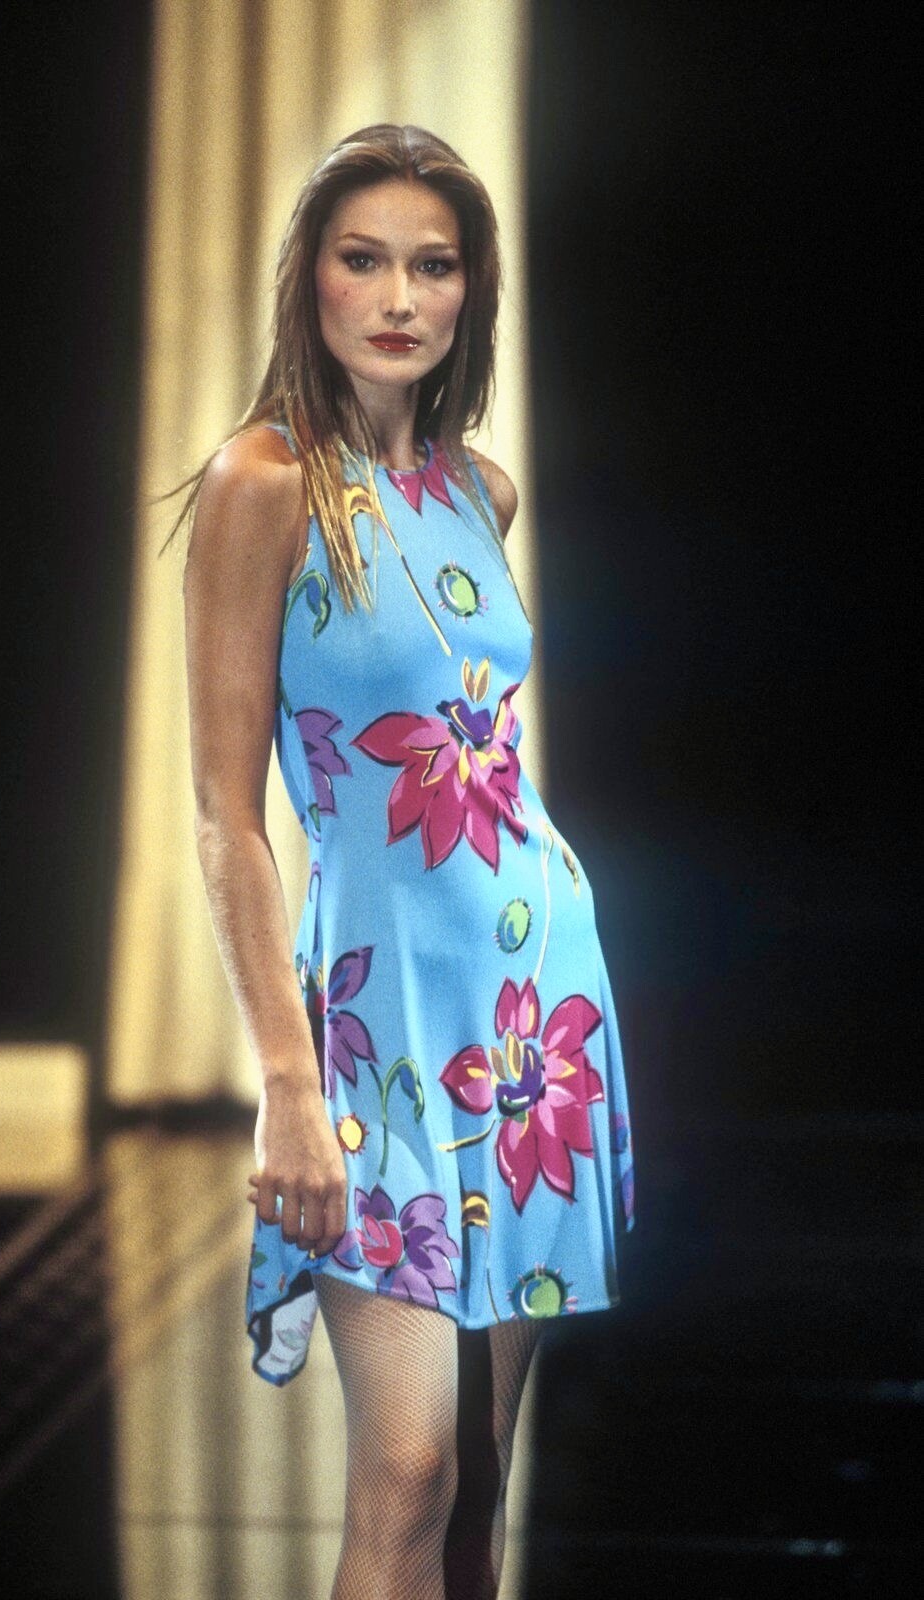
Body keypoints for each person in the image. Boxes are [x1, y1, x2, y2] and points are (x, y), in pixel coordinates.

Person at [174, 123, 634, 1600]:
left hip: (533, 1017)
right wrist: (285, 1082)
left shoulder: (479, 491)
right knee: (409, 1468)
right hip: (377, 1024)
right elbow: (226, 813)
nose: (396, 296)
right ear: (307, 275)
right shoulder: (262, 482)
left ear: (470, 292)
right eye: (362, 258)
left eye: (431, 266)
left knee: (480, 1474)